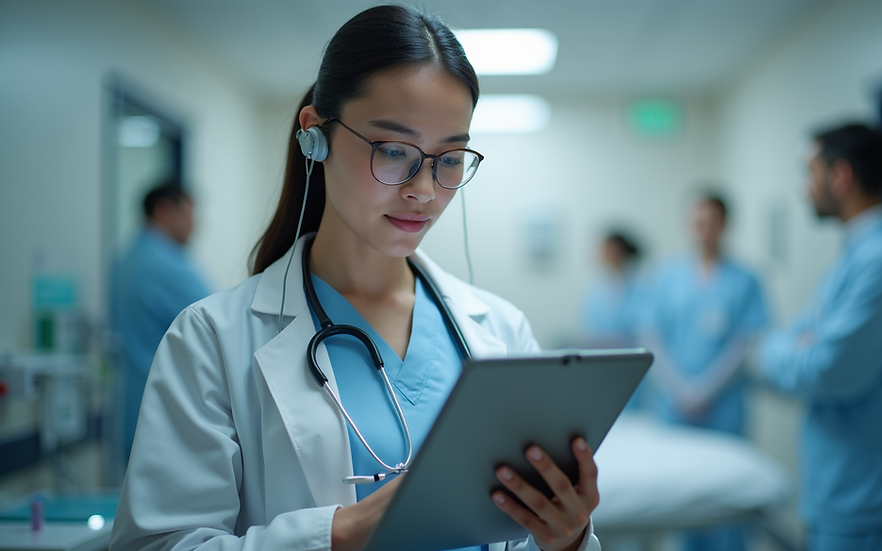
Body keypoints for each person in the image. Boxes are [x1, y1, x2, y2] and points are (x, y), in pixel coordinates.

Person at [110, 6, 600, 551]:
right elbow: (154, 544)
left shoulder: (502, 330)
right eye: (394, 151)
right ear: (316, 136)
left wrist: (568, 540)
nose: (425, 190)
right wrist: (342, 532)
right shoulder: (212, 339)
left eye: (451, 158)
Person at [758, 123, 882, 551]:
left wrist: (782, 350)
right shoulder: (854, 259)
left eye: (811, 173)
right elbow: (792, 340)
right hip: (844, 491)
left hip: (869, 497)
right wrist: (790, 346)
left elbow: (824, 370)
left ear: (841, 177)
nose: (805, 189)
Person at [637, 193, 768, 551]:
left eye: (711, 222)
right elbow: (653, 338)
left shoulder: (746, 279)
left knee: (728, 506)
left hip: (723, 409)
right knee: (686, 506)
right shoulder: (667, 277)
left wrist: (705, 390)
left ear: (725, 225)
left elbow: (745, 343)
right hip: (675, 407)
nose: (704, 230)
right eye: (698, 222)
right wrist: (681, 389)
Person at [111, 180, 210, 467]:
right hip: (164, 414)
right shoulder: (164, 265)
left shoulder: (125, 261)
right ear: (165, 211)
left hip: (133, 408)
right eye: (189, 214)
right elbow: (222, 326)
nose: (195, 225)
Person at [579, 231, 644, 348]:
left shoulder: (639, 287)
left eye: (608, 249)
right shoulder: (598, 289)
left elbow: (643, 328)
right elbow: (589, 327)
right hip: (600, 352)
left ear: (620, 251)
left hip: (629, 353)